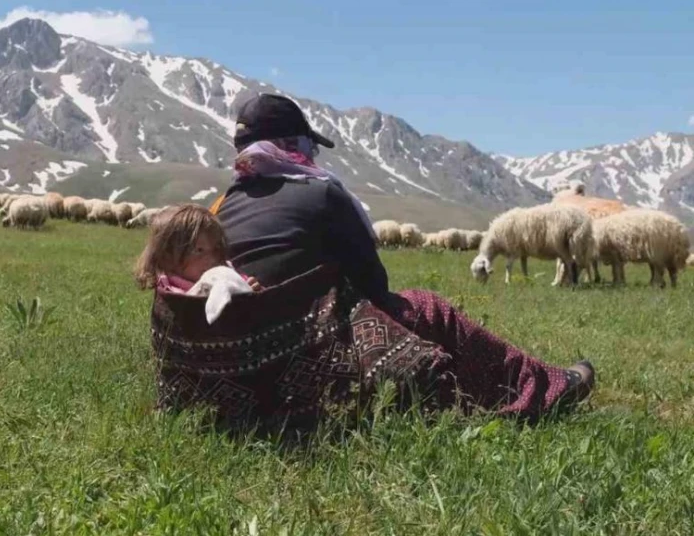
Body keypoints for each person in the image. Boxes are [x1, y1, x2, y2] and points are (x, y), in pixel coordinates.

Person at [205, 93, 594, 421]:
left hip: (246, 360)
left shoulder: (223, 207)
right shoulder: (322, 195)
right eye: (309, 145)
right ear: (293, 145)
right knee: (429, 309)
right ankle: (540, 389)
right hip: (306, 352)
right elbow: (375, 287)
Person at [135, 204, 262, 322]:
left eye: (216, 248)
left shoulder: (223, 270)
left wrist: (252, 289)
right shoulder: (170, 291)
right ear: (167, 258)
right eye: (199, 250)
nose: (212, 259)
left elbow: (241, 285)